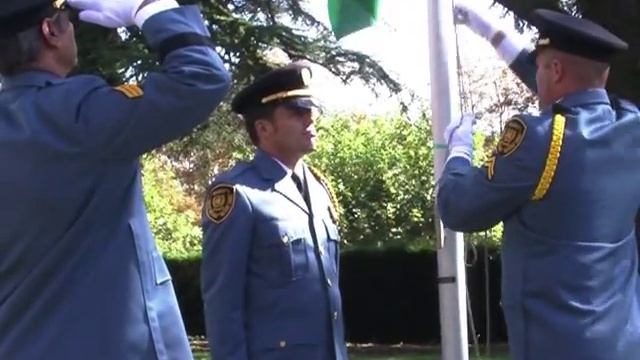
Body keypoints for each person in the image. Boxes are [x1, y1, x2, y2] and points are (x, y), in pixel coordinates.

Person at [0, 0, 230, 358]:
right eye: (68, 19)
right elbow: (201, 77)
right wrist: (149, 8)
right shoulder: (77, 114)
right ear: (50, 32)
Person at [439, 4, 640, 360]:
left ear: (557, 70)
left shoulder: (540, 139)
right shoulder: (630, 125)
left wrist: (457, 153)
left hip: (556, 348)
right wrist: (491, 32)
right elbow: (562, 85)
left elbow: (458, 208)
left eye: (544, 65)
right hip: (623, 344)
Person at [200, 62, 347, 360]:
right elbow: (222, 304)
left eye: (310, 109)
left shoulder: (319, 189)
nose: (310, 117)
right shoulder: (238, 193)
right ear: (264, 128)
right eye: (297, 111)